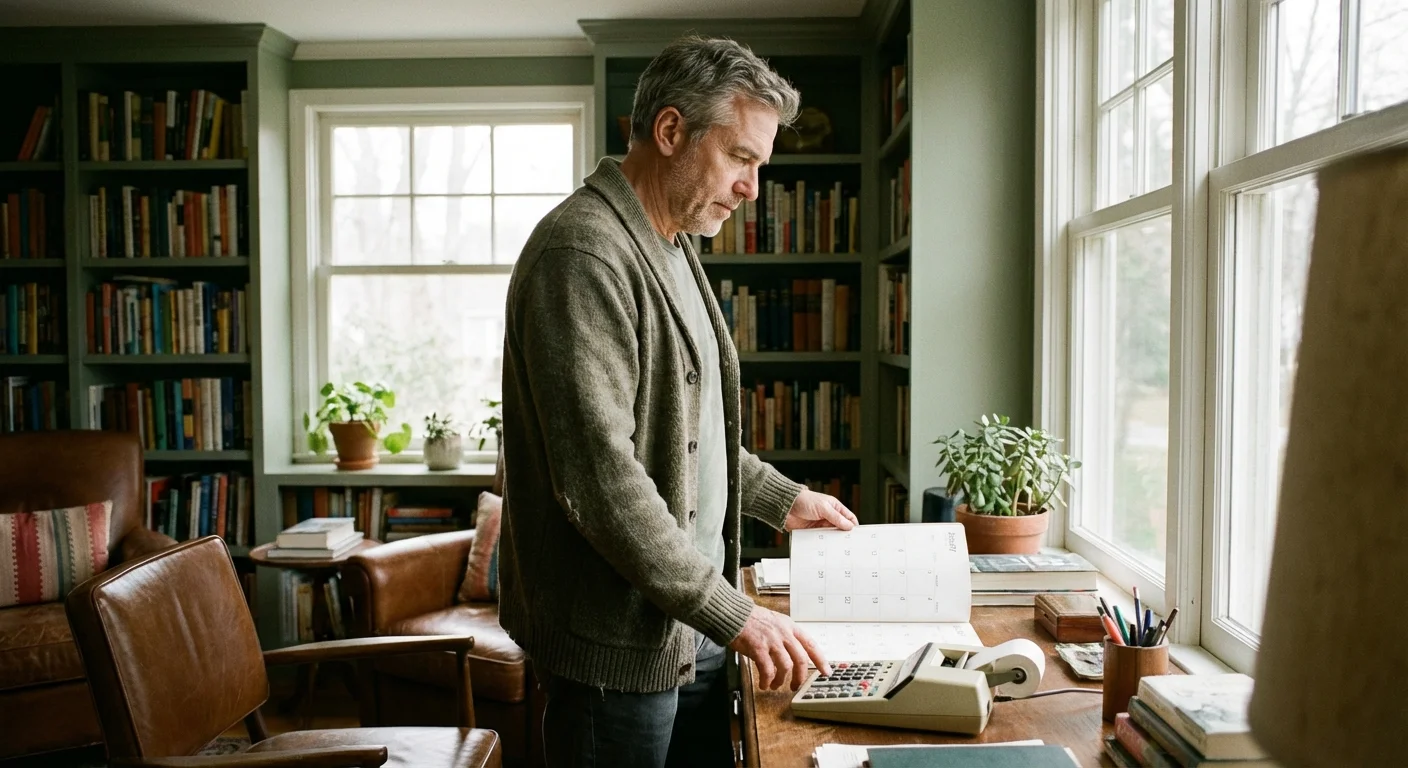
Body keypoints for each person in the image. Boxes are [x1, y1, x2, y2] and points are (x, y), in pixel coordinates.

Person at [497, 34, 859, 768]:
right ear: (670, 131)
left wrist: (782, 499)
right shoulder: (584, 253)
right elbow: (602, 480)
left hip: (689, 622)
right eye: (741, 158)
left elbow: (691, 433)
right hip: (616, 645)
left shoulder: (671, 243)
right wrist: (732, 611)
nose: (752, 188)